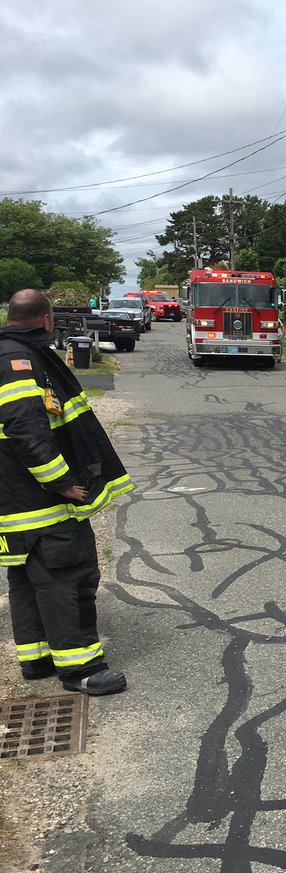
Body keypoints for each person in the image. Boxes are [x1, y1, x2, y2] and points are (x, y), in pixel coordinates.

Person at [0, 289, 134, 695]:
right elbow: (25, 430)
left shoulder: (10, 352)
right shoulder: (18, 361)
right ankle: (81, 670)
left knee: (27, 579)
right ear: (46, 319)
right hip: (40, 500)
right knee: (65, 578)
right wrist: (60, 482)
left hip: (16, 500)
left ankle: (37, 659)